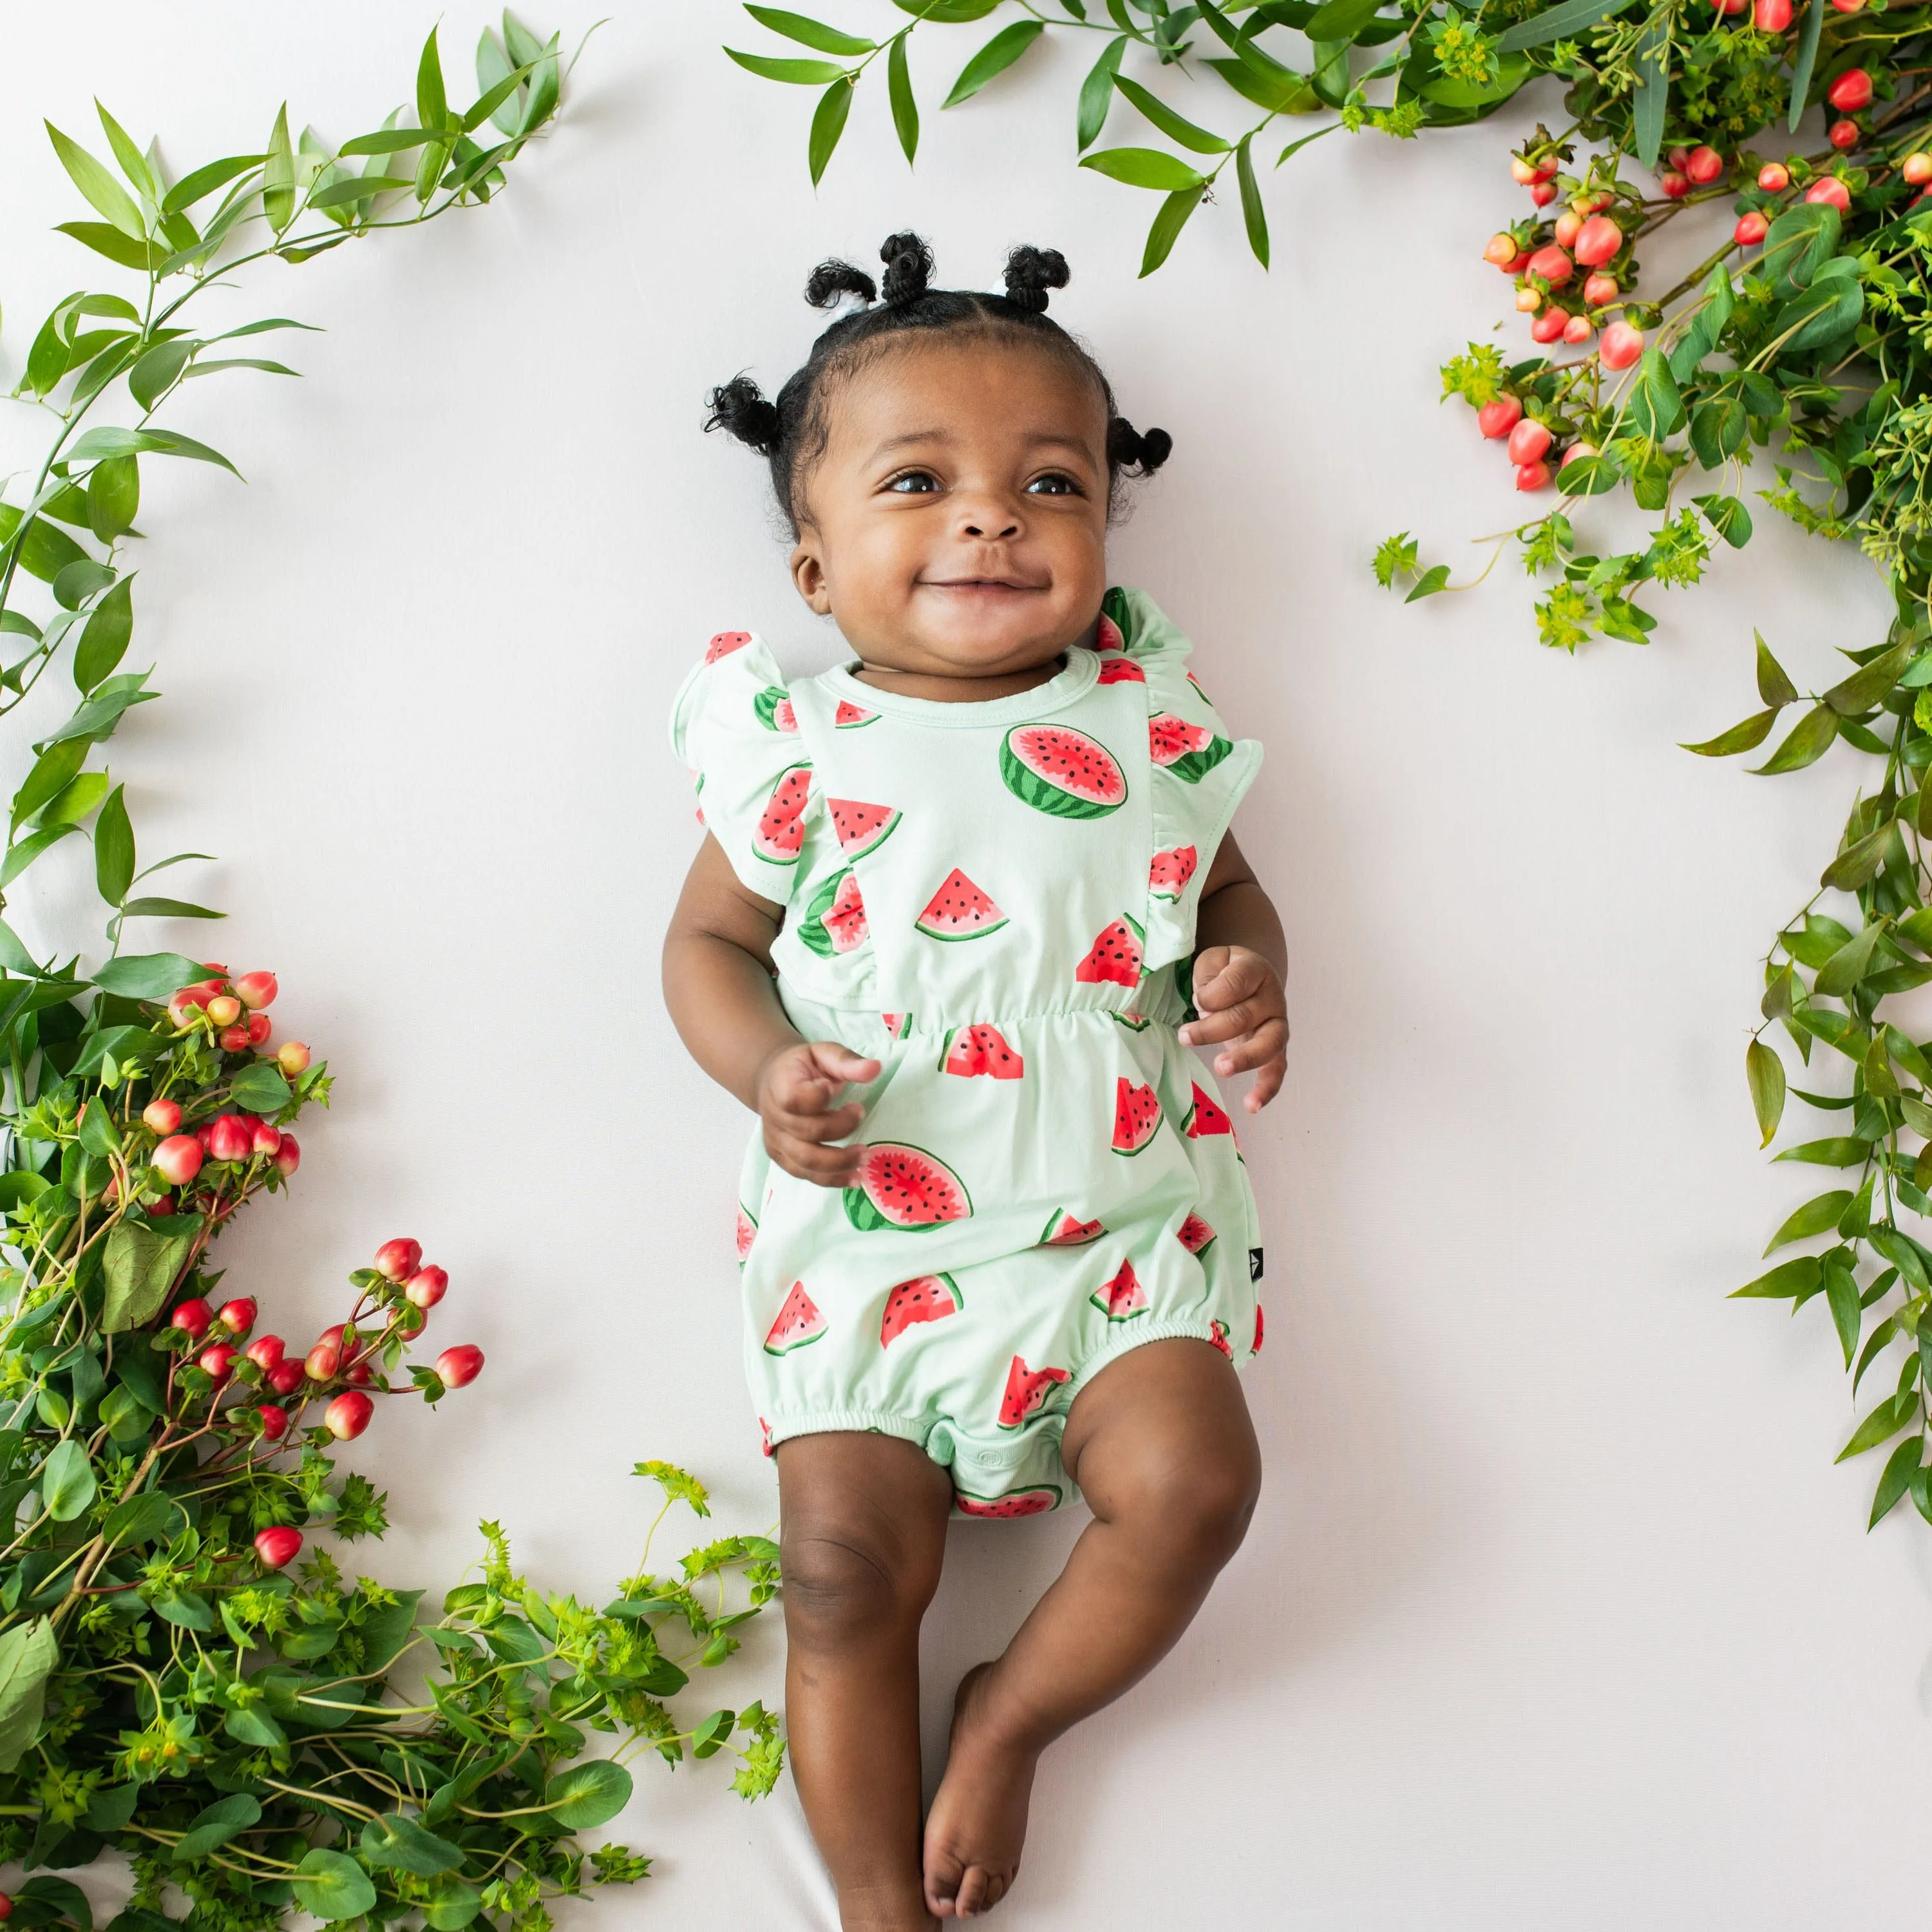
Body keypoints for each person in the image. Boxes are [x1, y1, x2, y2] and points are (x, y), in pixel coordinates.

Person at [662, 232, 1288, 1929]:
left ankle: (1011, 1713)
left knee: (1200, 1490)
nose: (992, 517)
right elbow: (703, 954)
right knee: (841, 1580)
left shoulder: (1149, 720)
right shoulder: (794, 752)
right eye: (920, 480)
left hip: (1119, 1225)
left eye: (1050, 482)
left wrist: (1248, 972)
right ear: (813, 569)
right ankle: (874, 1903)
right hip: (873, 1237)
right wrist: (765, 1068)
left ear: (1102, 528)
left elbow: (1225, 892)